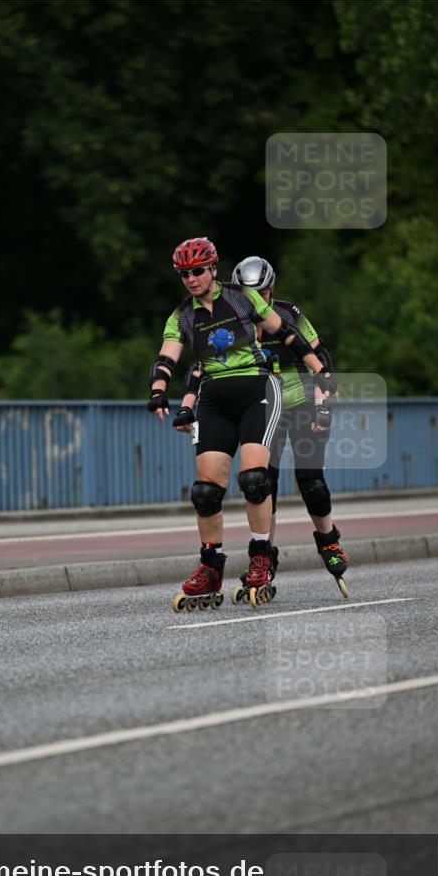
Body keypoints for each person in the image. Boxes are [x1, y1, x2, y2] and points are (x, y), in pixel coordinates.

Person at [147, 237, 333, 610]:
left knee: (254, 479)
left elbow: (288, 333)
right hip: (215, 396)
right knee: (205, 492)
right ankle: (211, 567)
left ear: (213, 268)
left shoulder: (242, 298)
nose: (191, 279)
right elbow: (168, 357)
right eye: (184, 273)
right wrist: (158, 391)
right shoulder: (182, 315)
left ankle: (261, 556)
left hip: (258, 389)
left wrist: (320, 372)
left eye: (197, 271)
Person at [231, 256, 349, 597]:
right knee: (261, 484)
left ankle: (328, 541)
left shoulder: (289, 314)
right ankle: (264, 556)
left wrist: (322, 408)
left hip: (303, 405)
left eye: (260, 292)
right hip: (265, 410)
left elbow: (321, 359)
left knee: (310, 481)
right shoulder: (231, 320)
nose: (254, 300)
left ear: (271, 289)